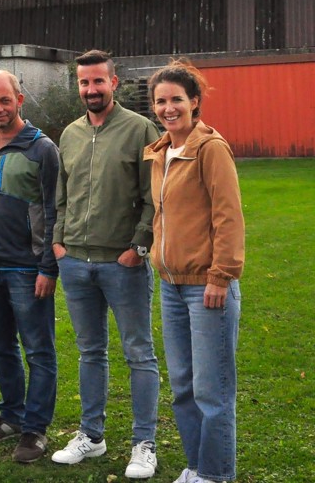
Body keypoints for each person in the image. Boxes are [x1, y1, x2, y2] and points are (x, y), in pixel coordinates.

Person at [51, 50, 161, 479]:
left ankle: (144, 443)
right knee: (89, 352)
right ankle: (91, 436)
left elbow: (155, 197)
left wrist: (139, 245)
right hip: (75, 263)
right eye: (84, 83)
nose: (91, 89)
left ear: (114, 83)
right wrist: (59, 241)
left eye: (98, 81)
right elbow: (62, 193)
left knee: (139, 353)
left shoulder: (140, 129)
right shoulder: (71, 134)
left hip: (123, 263)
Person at [144, 61, 244, 483]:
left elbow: (228, 217)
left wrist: (221, 276)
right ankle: (196, 467)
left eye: (177, 99)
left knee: (212, 389)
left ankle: (216, 475)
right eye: (161, 101)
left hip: (207, 287)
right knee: (183, 387)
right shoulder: (161, 151)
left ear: (195, 102)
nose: (169, 108)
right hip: (170, 284)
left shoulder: (211, 149)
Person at [0, 70, 59, 464]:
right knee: (2, 348)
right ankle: (11, 416)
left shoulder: (42, 149)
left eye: (5, 100)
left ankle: (35, 429)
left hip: (26, 268)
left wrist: (48, 268)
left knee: (37, 350)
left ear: (20, 99)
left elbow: (54, 212)